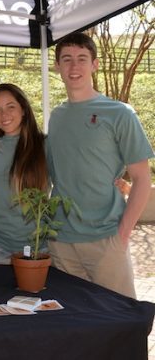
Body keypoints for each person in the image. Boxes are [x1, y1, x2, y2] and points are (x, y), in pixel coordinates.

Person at [47, 31, 154, 298]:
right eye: (67, 59)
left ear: (94, 64)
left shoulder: (120, 114)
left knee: (119, 321)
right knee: (72, 322)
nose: (74, 67)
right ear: (57, 65)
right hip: (62, 241)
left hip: (106, 239)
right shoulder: (56, 117)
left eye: (82, 59)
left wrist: (123, 235)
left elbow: (142, 177)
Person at [0, 83, 49, 264]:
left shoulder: (45, 145)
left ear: (23, 109)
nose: (4, 115)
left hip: (37, 246)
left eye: (11, 107)